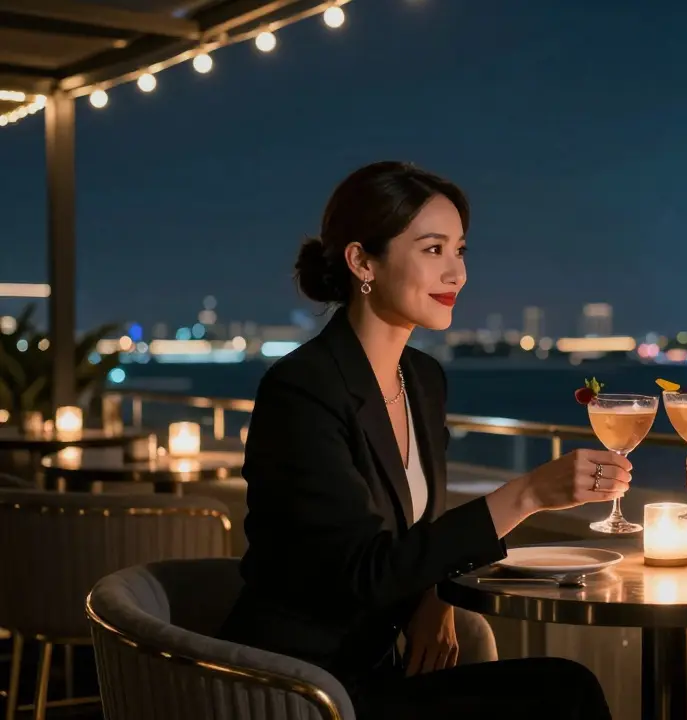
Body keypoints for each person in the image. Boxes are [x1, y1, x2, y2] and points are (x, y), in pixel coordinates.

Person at [218, 161, 618, 719]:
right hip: (301, 688)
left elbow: (416, 533)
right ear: (363, 261)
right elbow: (362, 572)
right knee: (563, 693)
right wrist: (527, 494)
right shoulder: (302, 389)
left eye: (460, 251)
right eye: (433, 250)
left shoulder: (424, 379)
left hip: (381, 669)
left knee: (564, 687)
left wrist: (434, 594)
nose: (456, 273)